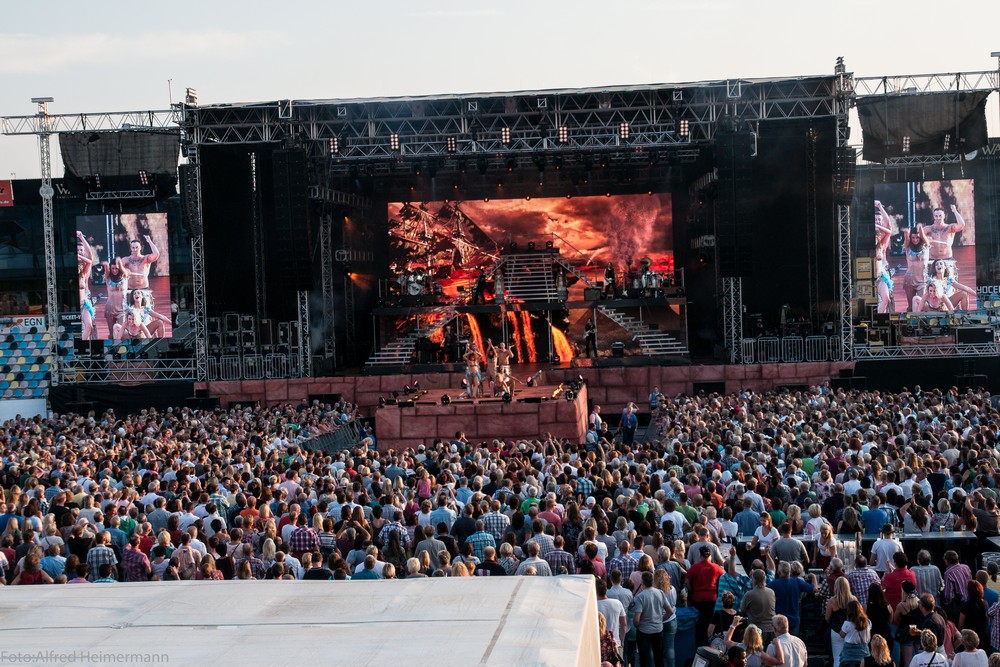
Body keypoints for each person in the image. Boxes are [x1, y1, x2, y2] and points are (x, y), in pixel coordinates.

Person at [632, 570, 671, 667]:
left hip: (644, 631)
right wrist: (660, 620)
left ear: (642, 582)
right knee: (659, 657)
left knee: (644, 658)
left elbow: (636, 620)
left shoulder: (640, 597)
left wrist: (636, 624)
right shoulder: (660, 593)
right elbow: (670, 611)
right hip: (658, 629)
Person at [839, 600, 872, 667]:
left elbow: (841, 635)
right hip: (864, 652)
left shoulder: (847, 623)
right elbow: (869, 636)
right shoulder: (868, 622)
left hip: (849, 654)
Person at [76, 231, 96, 340]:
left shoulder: (84, 267)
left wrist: (81, 237)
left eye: (81, 250)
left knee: (90, 327)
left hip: (85, 297)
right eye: (77, 250)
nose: (79, 252)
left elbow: (90, 258)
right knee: (80, 328)